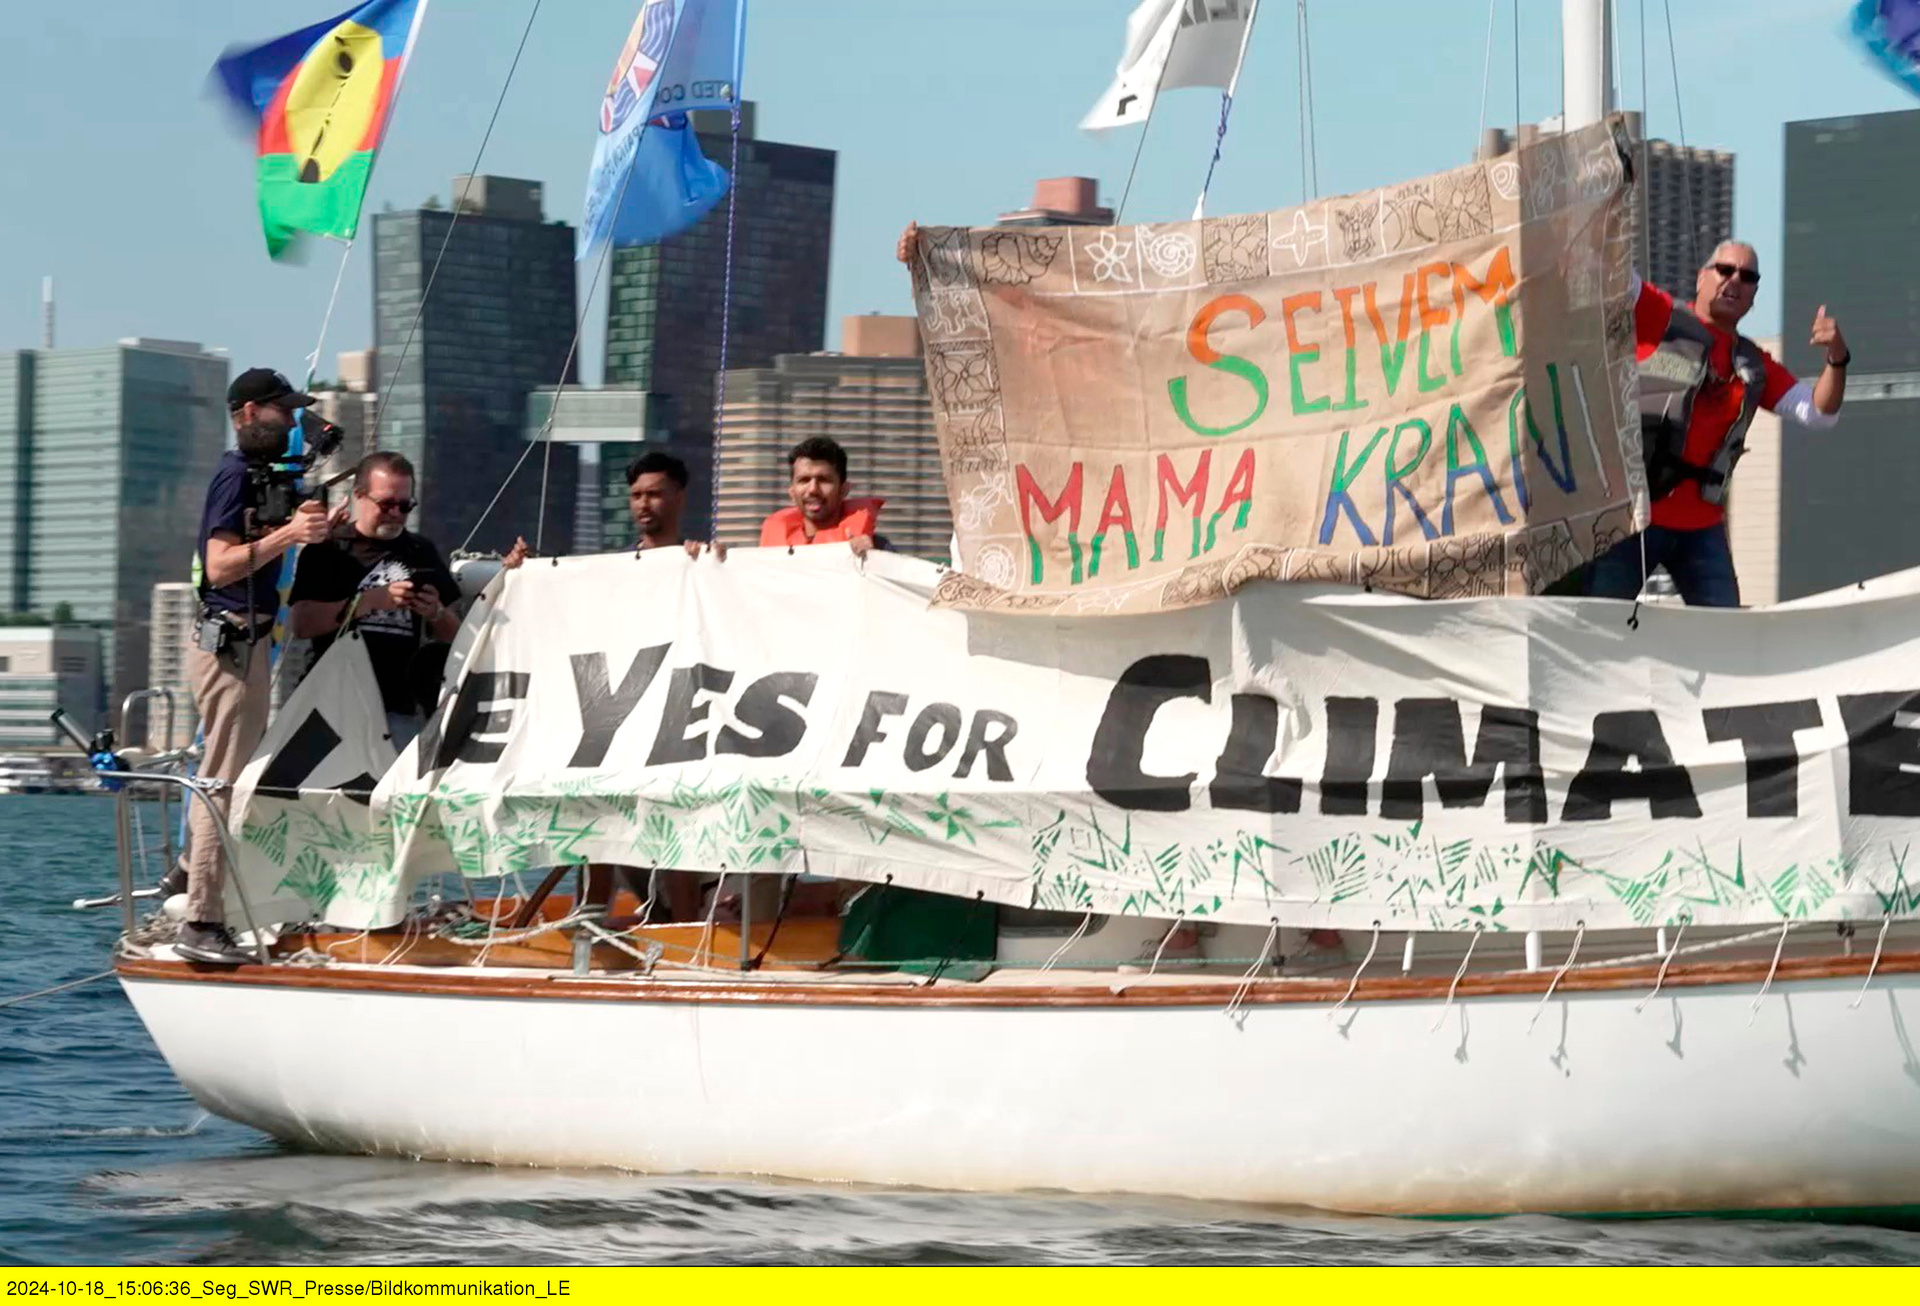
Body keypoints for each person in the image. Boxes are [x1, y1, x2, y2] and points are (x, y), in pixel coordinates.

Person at [175, 368, 338, 965]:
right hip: (232, 646)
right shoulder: (234, 474)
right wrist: (290, 534)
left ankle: (187, 876)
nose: (293, 421)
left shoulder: (262, 478)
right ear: (246, 413)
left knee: (221, 773)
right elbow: (219, 567)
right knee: (222, 779)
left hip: (245, 643)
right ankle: (201, 922)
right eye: (280, 410)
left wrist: (314, 528)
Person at [1586, 241, 1849, 607]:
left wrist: (1837, 357)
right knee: (1597, 623)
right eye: (1724, 270)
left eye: (1747, 276)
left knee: (1727, 635)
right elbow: (1606, 269)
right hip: (1633, 515)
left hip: (1701, 528)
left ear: (1754, 295)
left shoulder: (1754, 364)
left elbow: (1819, 415)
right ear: (1701, 278)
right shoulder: (1657, 313)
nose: (1734, 280)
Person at [288, 452, 459, 750]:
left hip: (398, 708)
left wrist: (435, 613)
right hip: (332, 704)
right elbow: (302, 623)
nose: (395, 514)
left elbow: (455, 636)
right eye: (386, 505)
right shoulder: (329, 551)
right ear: (359, 497)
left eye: (404, 506)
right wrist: (368, 601)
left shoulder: (421, 551)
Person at [758, 436, 883, 553]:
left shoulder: (876, 546)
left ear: (843, 489)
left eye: (823, 480)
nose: (813, 489)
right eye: (804, 480)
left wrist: (873, 559)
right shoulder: (768, 553)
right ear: (792, 492)